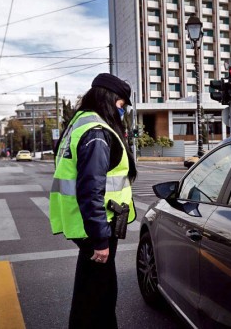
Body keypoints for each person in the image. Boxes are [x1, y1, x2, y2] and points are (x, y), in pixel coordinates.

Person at [49, 73, 138, 329]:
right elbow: (91, 190)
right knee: (99, 296)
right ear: (110, 100)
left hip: (86, 223)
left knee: (92, 292)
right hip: (97, 226)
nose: (122, 112)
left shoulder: (79, 123)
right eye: (121, 105)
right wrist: (100, 239)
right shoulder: (97, 132)